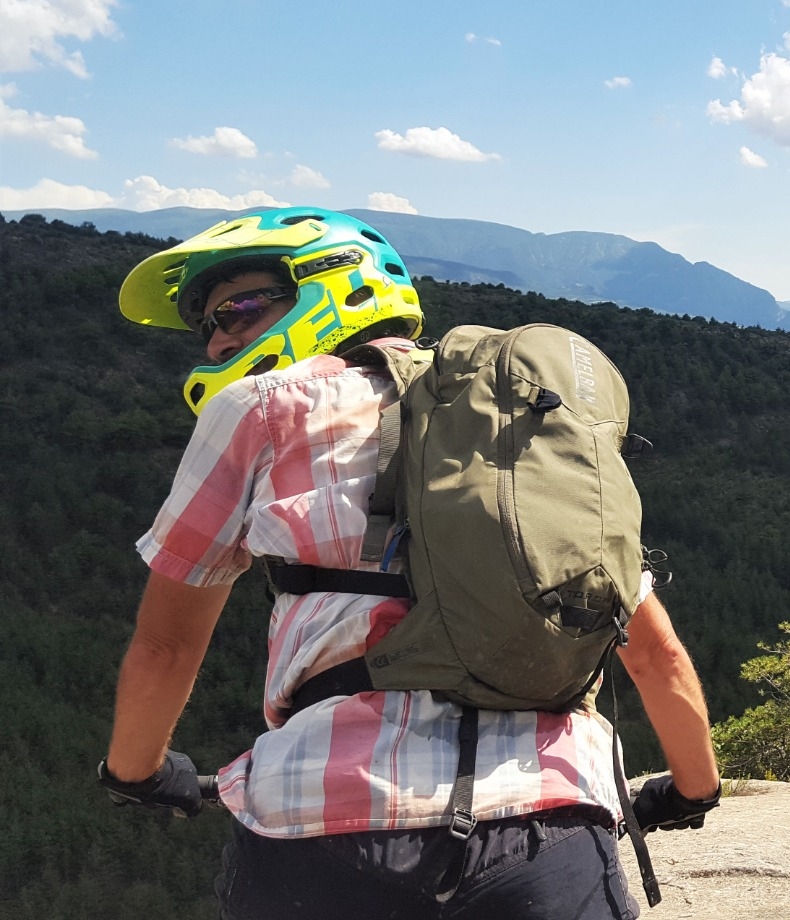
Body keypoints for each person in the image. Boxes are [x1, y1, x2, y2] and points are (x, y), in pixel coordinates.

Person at [97, 208, 720, 920]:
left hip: (325, 828)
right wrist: (693, 789)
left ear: (328, 286)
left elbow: (166, 643)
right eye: (207, 323)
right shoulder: (528, 423)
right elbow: (655, 655)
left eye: (238, 308)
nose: (217, 336)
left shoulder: (262, 407)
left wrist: (138, 773)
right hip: (550, 826)